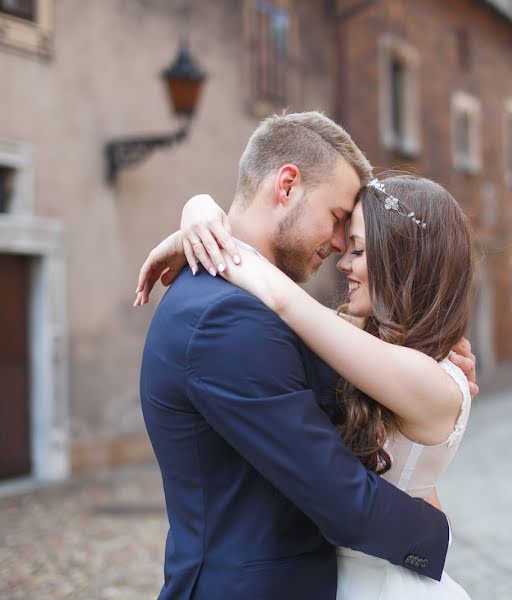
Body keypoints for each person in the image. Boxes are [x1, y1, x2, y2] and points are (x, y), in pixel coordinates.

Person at [135, 112, 477, 599]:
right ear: (287, 185)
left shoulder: (254, 306)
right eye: (338, 219)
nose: (340, 247)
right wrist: (436, 535)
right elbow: (341, 499)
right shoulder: (226, 318)